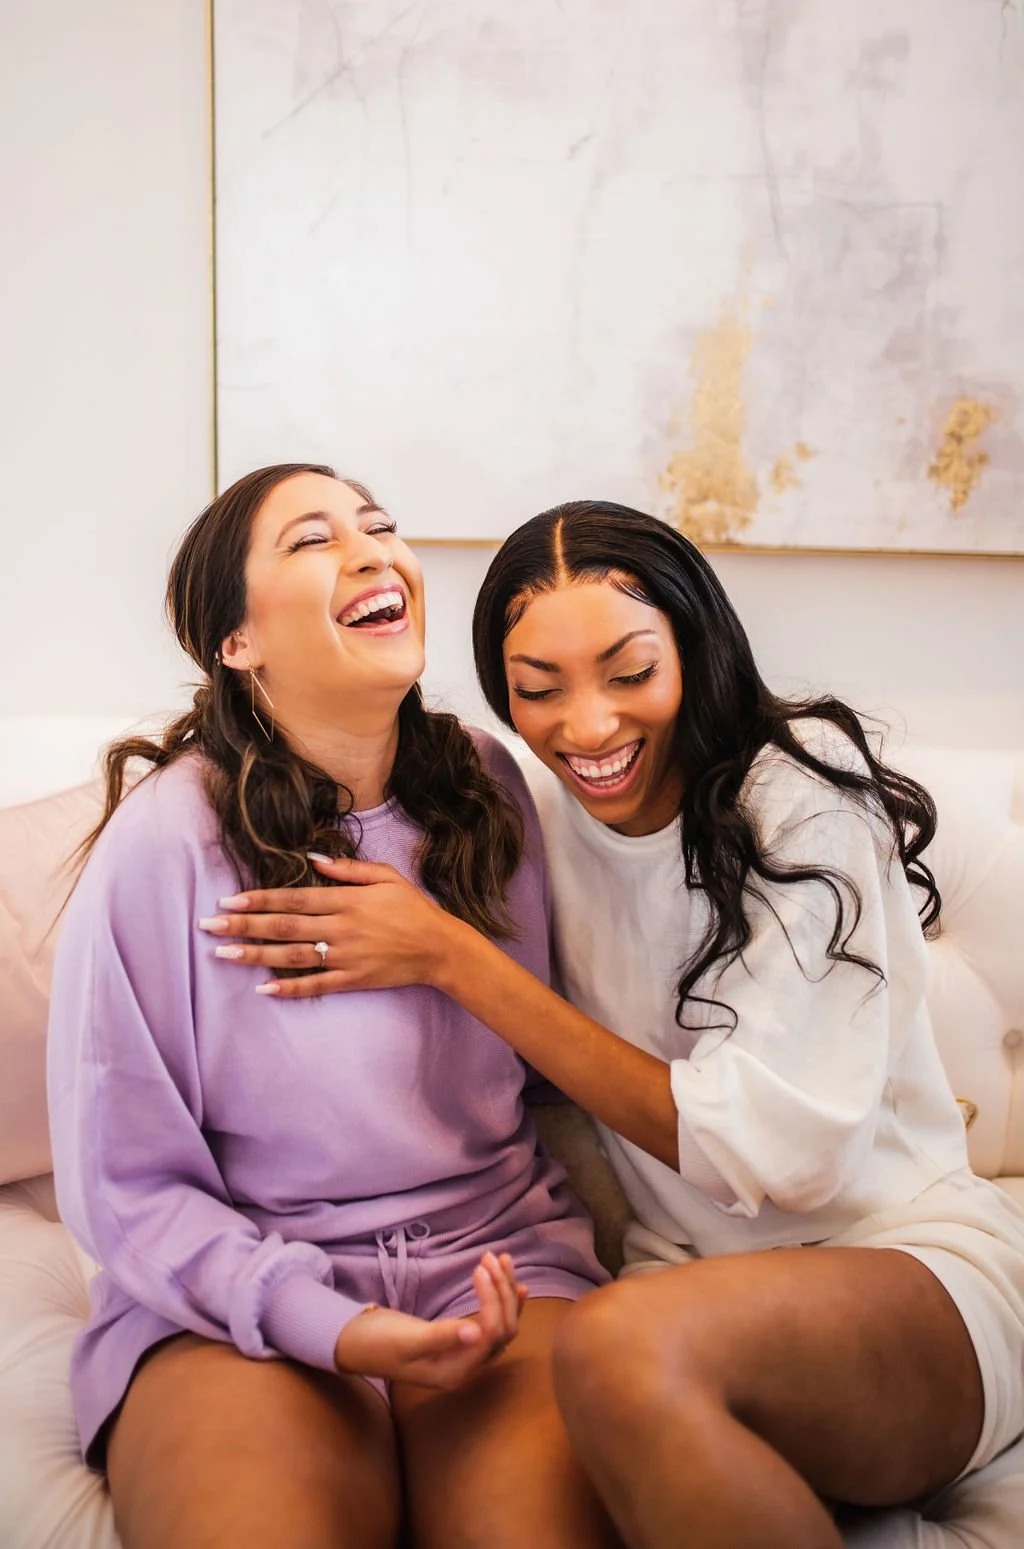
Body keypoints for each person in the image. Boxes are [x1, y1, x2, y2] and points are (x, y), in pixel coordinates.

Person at [209, 499, 1024, 1549]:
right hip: (671, 1295)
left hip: (905, 1270)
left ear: (696, 644)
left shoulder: (801, 793)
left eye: (630, 673)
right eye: (537, 691)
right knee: (600, 1358)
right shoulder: (527, 816)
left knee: (609, 1345)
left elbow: (783, 1156)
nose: (586, 729)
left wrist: (450, 955)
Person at [47, 468, 618, 1549]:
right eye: (313, 541)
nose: (371, 552)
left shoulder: (488, 784)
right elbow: (128, 1186)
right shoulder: (167, 841)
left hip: (499, 1265)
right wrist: (339, 1326)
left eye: (381, 527)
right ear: (236, 643)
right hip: (236, 1294)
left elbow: (548, 1056)